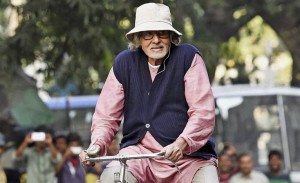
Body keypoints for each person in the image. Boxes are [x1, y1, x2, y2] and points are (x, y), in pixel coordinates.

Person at [79, 2, 218, 183]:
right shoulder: (123, 63)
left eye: (162, 33)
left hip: (188, 158)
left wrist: (182, 143)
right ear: (137, 38)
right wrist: (96, 146)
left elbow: (203, 112)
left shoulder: (188, 57)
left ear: (170, 36)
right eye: (147, 34)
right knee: (110, 178)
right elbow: (106, 117)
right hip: (138, 154)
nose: (156, 40)